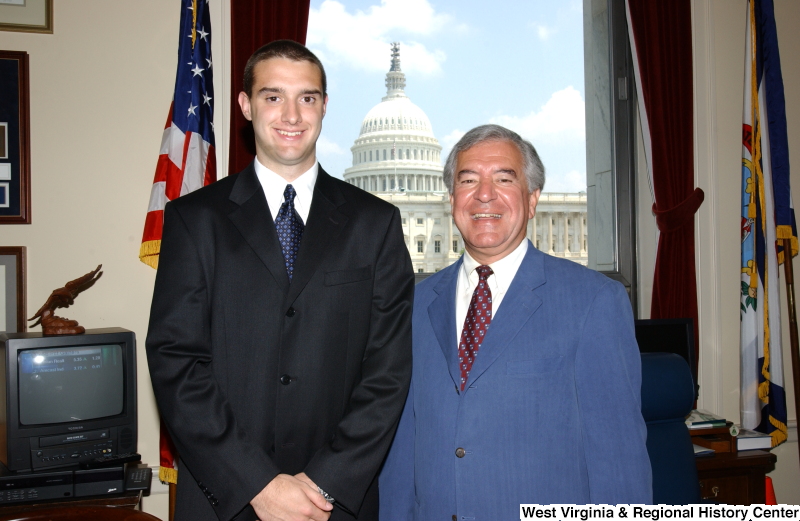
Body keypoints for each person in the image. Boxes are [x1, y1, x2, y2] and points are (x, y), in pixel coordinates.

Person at [146, 40, 414, 521]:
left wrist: (323, 483)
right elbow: (176, 362)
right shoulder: (194, 220)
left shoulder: (375, 224)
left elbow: (388, 372)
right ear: (246, 106)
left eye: (307, 98)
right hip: (224, 499)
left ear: (324, 107)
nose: (291, 114)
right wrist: (258, 485)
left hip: (336, 501)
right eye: (273, 97)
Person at [379, 124, 651, 520]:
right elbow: (402, 449)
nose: (484, 194)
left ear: (533, 197)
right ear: (452, 197)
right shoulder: (415, 304)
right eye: (468, 180)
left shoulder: (594, 301)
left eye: (503, 179)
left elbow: (618, 460)